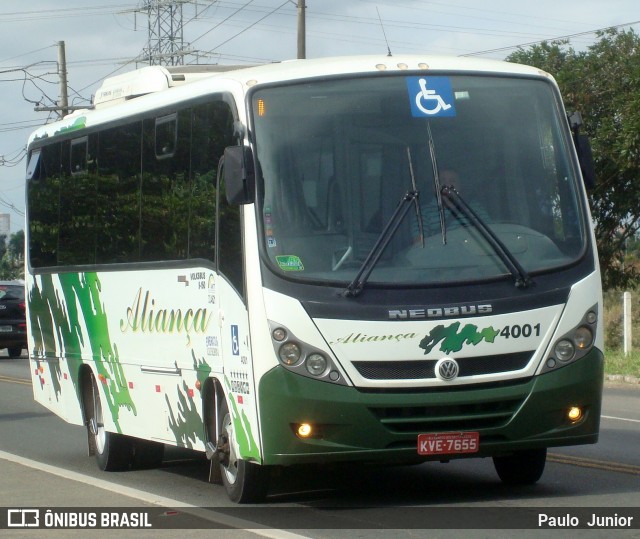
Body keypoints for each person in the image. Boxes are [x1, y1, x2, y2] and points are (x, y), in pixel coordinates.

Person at [411, 169, 489, 243]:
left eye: (452, 181)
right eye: (442, 181)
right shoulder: (423, 213)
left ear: (460, 186)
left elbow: (489, 233)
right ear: (434, 187)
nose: (447, 185)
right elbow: (420, 245)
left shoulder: (474, 208)